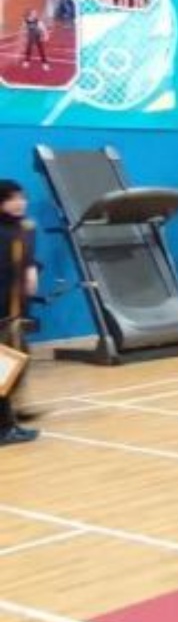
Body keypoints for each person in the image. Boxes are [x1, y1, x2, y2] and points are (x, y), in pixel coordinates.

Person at [0, 179, 38, 445]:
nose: (18, 203)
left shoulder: (23, 228)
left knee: (16, 363)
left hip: (14, 312)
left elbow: (24, 259)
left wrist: (31, 268)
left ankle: (10, 416)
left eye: (21, 197)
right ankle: (5, 428)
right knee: (5, 369)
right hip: (3, 312)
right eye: (11, 198)